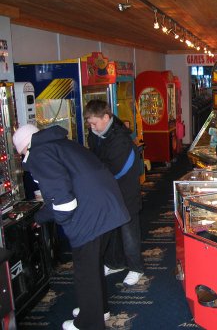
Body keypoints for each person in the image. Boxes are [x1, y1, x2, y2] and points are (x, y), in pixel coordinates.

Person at [12, 124, 130, 330]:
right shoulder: (60, 143)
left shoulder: (39, 153)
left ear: (23, 146)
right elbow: (72, 184)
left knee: (85, 272)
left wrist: (68, 225)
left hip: (90, 216)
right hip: (108, 208)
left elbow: (63, 200)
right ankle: (97, 310)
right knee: (93, 267)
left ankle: (88, 323)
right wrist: (40, 217)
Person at [84, 100, 144, 286]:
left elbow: (113, 168)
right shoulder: (96, 134)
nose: (91, 126)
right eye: (89, 123)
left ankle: (136, 268)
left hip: (125, 190)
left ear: (106, 117)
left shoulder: (120, 138)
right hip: (107, 190)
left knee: (128, 232)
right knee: (110, 229)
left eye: (94, 122)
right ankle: (114, 263)